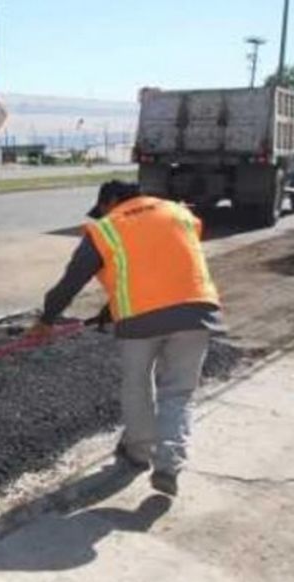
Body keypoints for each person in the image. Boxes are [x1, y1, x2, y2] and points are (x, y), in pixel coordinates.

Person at [28, 180, 223, 496]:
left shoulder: (106, 228)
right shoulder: (179, 212)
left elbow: (72, 280)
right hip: (197, 312)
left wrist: (47, 320)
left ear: (112, 200)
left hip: (139, 323)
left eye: (102, 207)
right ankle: (169, 464)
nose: (101, 214)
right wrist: (111, 304)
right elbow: (159, 264)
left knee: (137, 384)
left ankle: (138, 451)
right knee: (178, 392)